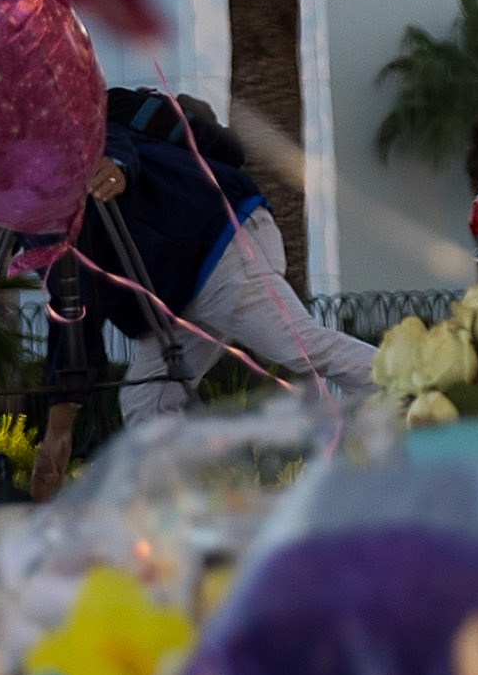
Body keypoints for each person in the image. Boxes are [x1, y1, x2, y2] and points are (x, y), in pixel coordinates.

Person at [34, 88, 384, 424]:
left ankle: (422, 394)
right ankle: (174, 485)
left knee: (299, 347)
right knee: (145, 402)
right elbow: (75, 308)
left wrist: (119, 166)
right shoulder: (35, 205)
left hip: (223, 247)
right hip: (189, 280)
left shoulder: (58, 148)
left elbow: (109, 142)